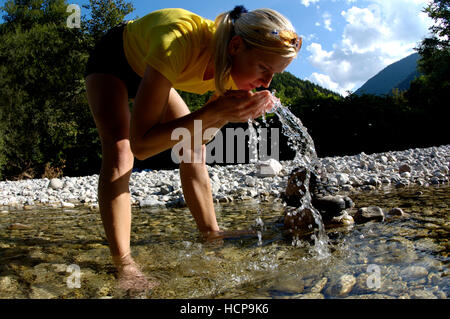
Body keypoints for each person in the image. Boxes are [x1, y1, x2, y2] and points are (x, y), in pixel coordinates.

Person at [84, 5, 301, 291]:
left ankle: (211, 233)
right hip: (114, 61)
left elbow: (200, 136)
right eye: (264, 69)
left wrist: (224, 114)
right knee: (120, 151)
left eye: (274, 74)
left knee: (193, 149)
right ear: (236, 46)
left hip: (154, 69)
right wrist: (213, 113)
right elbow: (143, 145)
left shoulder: (234, 67)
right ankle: (123, 264)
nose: (266, 82)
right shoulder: (178, 43)